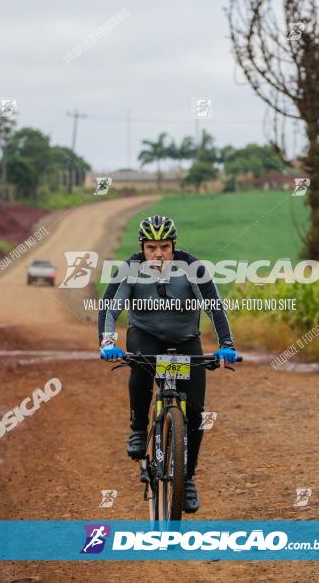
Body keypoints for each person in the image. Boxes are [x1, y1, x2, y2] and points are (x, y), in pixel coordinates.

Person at [97, 215, 239, 513]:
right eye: (151, 248)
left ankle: (186, 478)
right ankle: (138, 428)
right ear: (142, 248)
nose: (158, 254)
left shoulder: (193, 268)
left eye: (164, 247)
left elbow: (215, 308)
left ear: (174, 246)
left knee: (197, 411)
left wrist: (226, 346)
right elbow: (110, 309)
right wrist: (108, 342)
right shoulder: (130, 270)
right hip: (144, 336)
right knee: (139, 366)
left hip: (186, 339)